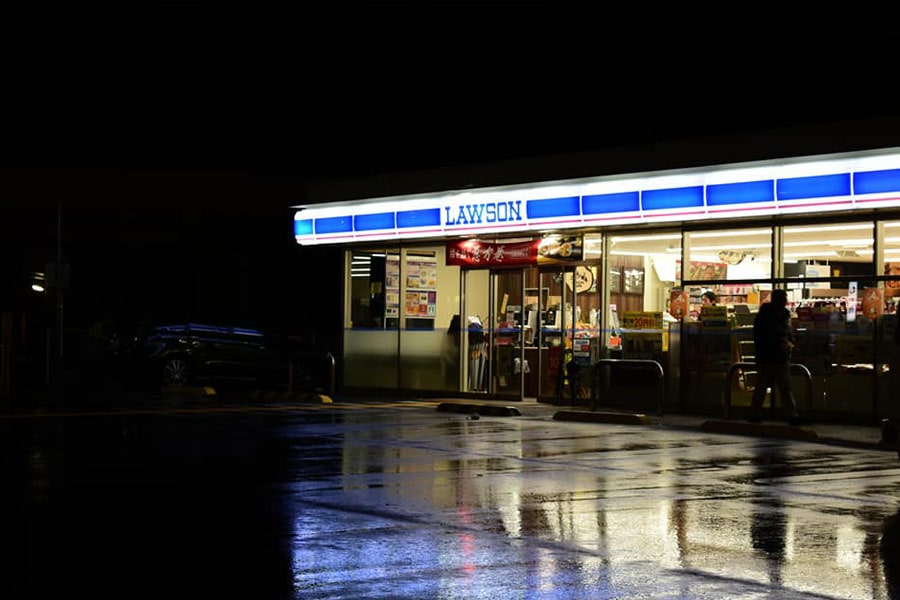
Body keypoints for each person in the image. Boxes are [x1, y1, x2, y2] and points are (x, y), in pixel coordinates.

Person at [747, 288, 802, 426]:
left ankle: (755, 413)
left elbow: (760, 335)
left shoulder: (765, 315)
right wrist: (787, 343)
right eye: (783, 298)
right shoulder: (778, 317)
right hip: (775, 356)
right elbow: (782, 335)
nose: (785, 301)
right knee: (783, 387)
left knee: (763, 386)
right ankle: (791, 415)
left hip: (767, 356)